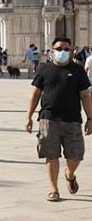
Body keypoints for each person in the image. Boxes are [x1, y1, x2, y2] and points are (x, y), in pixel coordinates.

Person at [26, 37, 92, 202]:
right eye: (59, 48)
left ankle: (69, 174)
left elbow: (85, 95)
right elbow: (35, 94)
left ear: (71, 51)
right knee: (51, 154)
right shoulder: (44, 69)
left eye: (66, 49)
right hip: (48, 119)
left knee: (76, 156)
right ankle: (53, 189)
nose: (62, 51)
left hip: (73, 119)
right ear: (52, 50)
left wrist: (90, 118)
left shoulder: (78, 70)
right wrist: (28, 116)